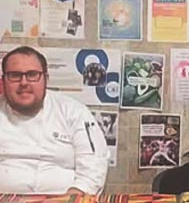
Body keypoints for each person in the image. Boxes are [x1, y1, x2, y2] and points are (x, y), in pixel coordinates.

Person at [0, 46, 108, 194]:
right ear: (4, 80)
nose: (24, 82)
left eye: (32, 74)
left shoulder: (73, 111)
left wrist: (72, 201)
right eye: (15, 75)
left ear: (46, 79)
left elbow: (94, 165)